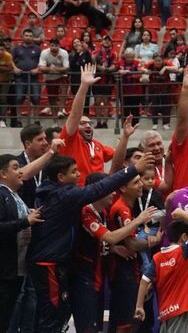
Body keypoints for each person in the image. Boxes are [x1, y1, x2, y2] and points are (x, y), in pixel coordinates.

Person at [26, 150, 153, 332]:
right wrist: (138, 220)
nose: (78, 175)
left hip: (84, 269)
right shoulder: (71, 200)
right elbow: (109, 233)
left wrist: (113, 248)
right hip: (61, 266)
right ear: (61, 177)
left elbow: (106, 239)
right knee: (54, 319)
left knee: (67, 319)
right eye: (74, 172)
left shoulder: (92, 208)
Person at [70, 172, 156, 333]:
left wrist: (114, 249)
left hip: (100, 273)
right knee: (90, 325)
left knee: (102, 323)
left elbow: (104, 241)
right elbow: (110, 237)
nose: (113, 192)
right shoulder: (86, 211)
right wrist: (140, 223)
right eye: (108, 189)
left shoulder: (102, 211)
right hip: (85, 275)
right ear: (96, 191)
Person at [134, 208, 188, 332]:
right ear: (184, 237)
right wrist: (183, 214)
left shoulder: (157, 257)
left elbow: (144, 280)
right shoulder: (184, 251)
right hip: (180, 310)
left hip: (165, 312)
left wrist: (139, 306)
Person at [0, 154, 44, 332]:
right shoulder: (1, 195)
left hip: (18, 270)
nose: (20, 172)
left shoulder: (15, 196)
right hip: (4, 272)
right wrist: (25, 221)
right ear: (3, 174)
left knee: (9, 319)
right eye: (16, 167)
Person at [58, 64, 115, 186]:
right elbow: (74, 115)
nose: (88, 126)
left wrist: (125, 138)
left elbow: (117, 155)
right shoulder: (70, 139)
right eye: (83, 123)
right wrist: (84, 86)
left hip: (99, 194)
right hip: (79, 193)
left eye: (90, 123)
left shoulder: (97, 145)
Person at [141, 52, 178, 130]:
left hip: (166, 88)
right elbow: (142, 68)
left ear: (162, 60)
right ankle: (155, 124)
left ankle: (166, 123)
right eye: (156, 61)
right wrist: (146, 71)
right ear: (153, 60)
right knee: (154, 107)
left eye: (159, 60)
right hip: (154, 89)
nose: (158, 62)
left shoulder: (166, 63)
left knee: (166, 107)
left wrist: (165, 68)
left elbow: (176, 68)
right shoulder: (151, 64)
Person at [12, 29, 41, 120]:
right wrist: (15, 68)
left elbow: (42, 62)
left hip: (34, 78)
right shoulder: (16, 48)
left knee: (36, 98)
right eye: (26, 35)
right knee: (19, 97)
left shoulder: (37, 49)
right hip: (20, 77)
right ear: (22, 37)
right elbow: (11, 60)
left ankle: (36, 120)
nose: (28, 37)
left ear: (32, 37)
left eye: (30, 36)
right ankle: (18, 119)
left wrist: (38, 69)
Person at [93, 35, 118, 128]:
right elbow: (93, 64)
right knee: (98, 102)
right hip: (97, 80)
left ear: (111, 42)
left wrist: (106, 69)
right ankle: (99, 122)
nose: (107, 41)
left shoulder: (113, 53)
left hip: (108, 80)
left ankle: (105, 123)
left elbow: (114, 65)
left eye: (109, 40)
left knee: (106, 102)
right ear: (102, 42)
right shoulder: (95, 52)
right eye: (105, 40)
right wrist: (100, 68)